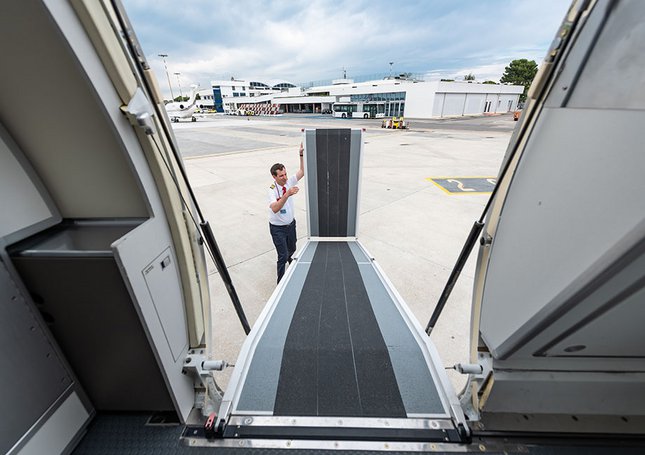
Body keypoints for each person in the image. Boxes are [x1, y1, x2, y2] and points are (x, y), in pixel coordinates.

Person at [268, 142, 305, 283]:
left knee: (292, 247)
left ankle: (290, 259)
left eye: (285, 174)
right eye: (281, 176)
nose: (284, 177)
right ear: (274, 177)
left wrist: (301, 155)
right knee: (282, 256)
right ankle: (281, 283)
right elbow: (275, 208)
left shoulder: (289, 182)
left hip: (291, 226)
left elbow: (302, 172)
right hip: (278, 229)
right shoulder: (271, 190)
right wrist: (287, 194)